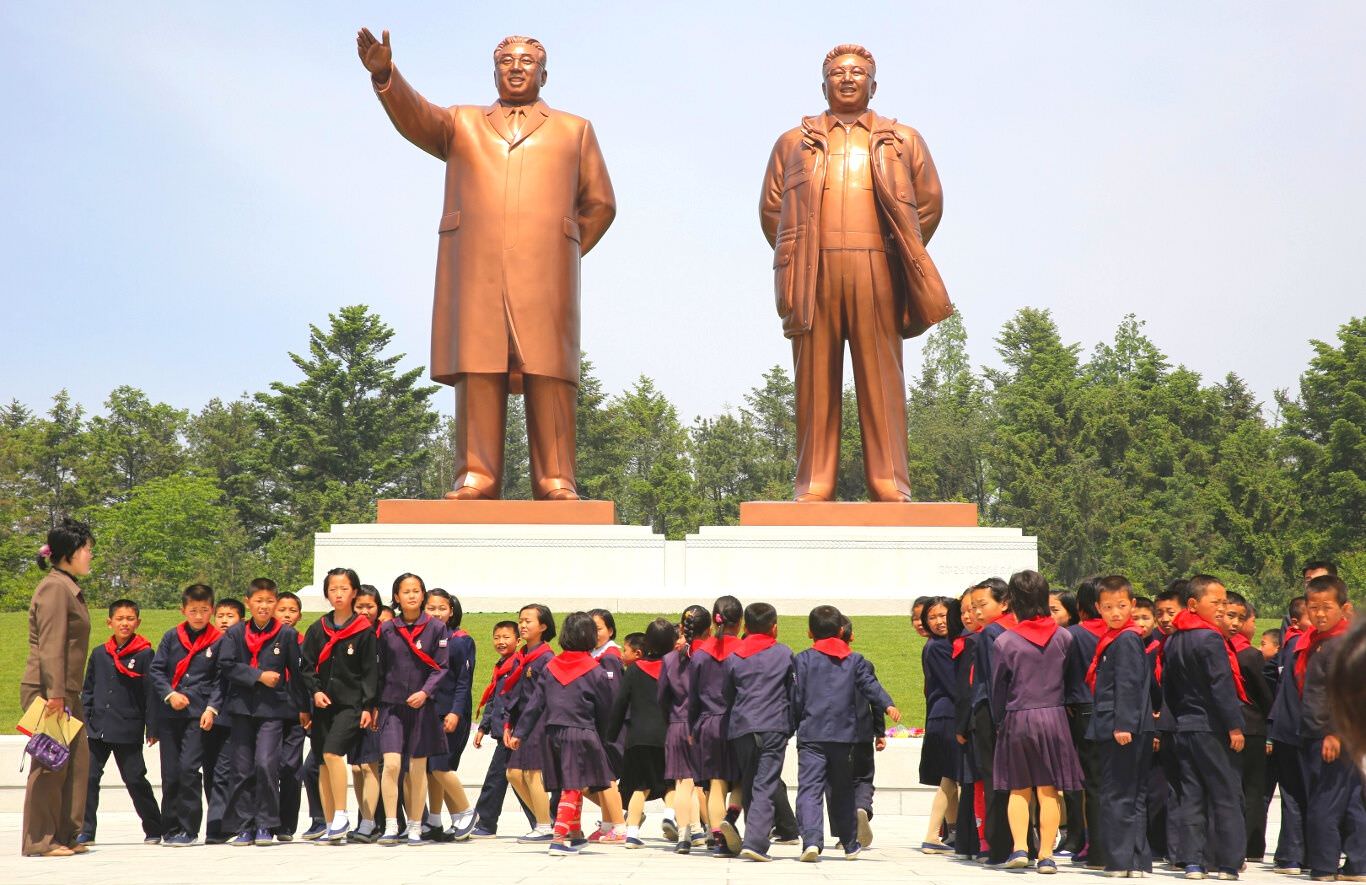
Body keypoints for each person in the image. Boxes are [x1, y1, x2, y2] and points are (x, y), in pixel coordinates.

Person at [356, 28, 616, 500]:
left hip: (547, 274)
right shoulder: (462, 123)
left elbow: (600, 204)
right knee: (478, 368)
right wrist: (386, 76)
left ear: (544, 73)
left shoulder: (574, 129)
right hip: (474, 268)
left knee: (549, 372)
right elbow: (417, 118)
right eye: (506, 61)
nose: (516, 67)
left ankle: (557, 479)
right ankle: (476, 475)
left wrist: (563, 253)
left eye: (527, 61)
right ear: (494, 71)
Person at [759, 43, 950, 502]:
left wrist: (895, 248)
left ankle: (889, 480)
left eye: (858, 73)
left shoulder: (901, 139)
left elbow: (929, 203)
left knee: (882, 376)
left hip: (877, 267)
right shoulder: (794, 142)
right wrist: (802, 253)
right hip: (814, 270)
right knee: (813, 381)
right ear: (823, 84)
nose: (848, 79)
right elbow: (772, 210)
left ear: (874, 84)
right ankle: (814, 482)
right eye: (838, 73)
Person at [990, 569, 1083, 874]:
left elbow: (997, 689)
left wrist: (999, 720)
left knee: (1018, 789)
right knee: (1049, 790)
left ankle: (1019, 847)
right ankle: (1046, 854)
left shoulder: (1005, 641)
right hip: (1054, 717)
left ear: (1013, 599)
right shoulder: (1064, 637)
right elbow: (1072, 679)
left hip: (1018, 717)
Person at [792, 604, 899, 861]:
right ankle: (850, 844)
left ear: (809, 632)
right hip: (844, 736)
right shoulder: (855, 661)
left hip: (812, 735)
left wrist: (792, 724)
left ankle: (811, 841)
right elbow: (870, 685)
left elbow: (796, 698)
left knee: (809, 788)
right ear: (841, 630)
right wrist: (887, 704)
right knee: (843, 789)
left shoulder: (802, 659)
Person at [1160, 574, 1247, 880]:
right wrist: (1234, 727)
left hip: (1185, 727)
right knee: (1226, 794)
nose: (1222, 608)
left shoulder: (1174, 638)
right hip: (1212, 728)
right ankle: (1228, 863)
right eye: (1217, 602)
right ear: (1194, 604)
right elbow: (1221, 687)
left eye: (1225, 602)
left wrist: (1180, 717)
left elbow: (1167, 686)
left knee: (1192, 796)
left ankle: (1193, 861)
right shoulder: (1210, 639)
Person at [508, 612, 616, 856]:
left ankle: (575, 835)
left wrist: (520, 733)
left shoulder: (551, 666)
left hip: (552, 734)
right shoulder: (594, 670)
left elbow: (535, 704)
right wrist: (609, 737)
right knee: (572, 786)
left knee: (572, 783)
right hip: (581, 733)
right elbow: (606, 708)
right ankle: (558, 838)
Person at [20, 518, 94, 858]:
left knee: (76, 764)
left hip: (67, 690)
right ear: (70, 553)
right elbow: (51, 645)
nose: (90, 556)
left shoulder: (68, 586)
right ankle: (40, 840)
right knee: (50, 764)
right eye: (87, 550)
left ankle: (65, 834)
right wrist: (55, 694)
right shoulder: (54, 588)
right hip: (50, 691)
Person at [217, 578, 308, 847]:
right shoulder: (236, 633)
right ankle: (245, 825)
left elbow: (298, 674)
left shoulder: (286, 634)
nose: (264, 606)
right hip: (242, 709)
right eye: (259, 601)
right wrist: (257, 675)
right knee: (242, 768)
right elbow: (226, 665)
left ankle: (267, 824)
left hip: (273, 709)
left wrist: (304, 707)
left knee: (266, 764)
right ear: (248, 603)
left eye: (270, 601)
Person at [300, 568, 377, 843]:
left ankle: (342, 814)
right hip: (323, 705)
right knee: (321, 761)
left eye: (344, 589)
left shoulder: (364, 631)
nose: (339, 594)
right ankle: (331, 821)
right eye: (333, 589)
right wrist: (315, 692)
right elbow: (306, 667)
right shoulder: (317, 628)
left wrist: (368, 706)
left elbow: (370, 672)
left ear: (354, 592)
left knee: (333, 754)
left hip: (351, 705)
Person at [1296, 574, 1365, 881]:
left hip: (1330, 735)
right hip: (1319, 732)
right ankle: (1358, 864)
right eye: (1313, 608)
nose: (1319, 614)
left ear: (1344, 608)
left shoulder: (1339, 645)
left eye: (1327, 607)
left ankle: (1323, 866)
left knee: (1324, 801)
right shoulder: (1317, 642)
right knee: (1349, 801)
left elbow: (1344, 693)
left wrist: (1335, 733)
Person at [1085, 575, 1154, 877]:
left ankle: (1120, 860)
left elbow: (1128, 685)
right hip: (1131, 725)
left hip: (1120, 727)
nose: (1115, 612)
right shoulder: (1123, 637)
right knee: (1133, 794)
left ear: (1132, 605)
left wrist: (1122, 724)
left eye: (1122, 606)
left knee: (1116, 794)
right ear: (1098, 608)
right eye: (1108, 607)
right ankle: (1136, 861)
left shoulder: (1124, 639)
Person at [78, 598, 161, 846]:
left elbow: (151, 693)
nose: (124, 623)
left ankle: (155, 827)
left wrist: (152, 727)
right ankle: (86, 830)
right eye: (119, 619)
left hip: (127, 727)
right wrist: (86, 717)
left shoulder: (145, 653)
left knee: (135, 779)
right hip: (97, 728)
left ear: (138, 622)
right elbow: (89, 689)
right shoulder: (99, 653)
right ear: (109, 622)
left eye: (130, 619)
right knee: (89, 778)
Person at [375, 573, 449, 846]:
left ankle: (417, 825)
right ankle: (393, 824)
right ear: (396, 597)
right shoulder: (387, 629)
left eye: (416, 590)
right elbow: (379, 669)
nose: (411, 596)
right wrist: (373, 705)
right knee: (392, 764)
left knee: (418, 768)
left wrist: (425, 692)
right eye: (405, 591)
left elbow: (441, 666)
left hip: (422, 706)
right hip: (392, 706)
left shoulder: (435, 628)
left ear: (423, 594)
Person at [149, 582, 222, 847]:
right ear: (183, 610)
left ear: (211, 610)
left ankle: (189, 829)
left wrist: (211, 708)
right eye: (193, 610)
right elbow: (156, 671)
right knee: (170, 773)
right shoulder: (171, 637)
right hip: (170, 713)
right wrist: (170, 694)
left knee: (189, 770)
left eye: (204, 610)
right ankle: (169, 826)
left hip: (198, 714)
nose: (199, 616)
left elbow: (220, 679)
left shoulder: (218, 640)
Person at [724, 602, 796, 863]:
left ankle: (752, 836)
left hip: (742, 726)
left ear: (745, 626)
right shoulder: (784, 653)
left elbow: (727, 693)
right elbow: (793, 692)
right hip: (774, 725)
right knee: (765, 783)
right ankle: (755, 841)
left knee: (751, 782)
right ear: (774, 628)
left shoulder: (734, 656)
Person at [607, 618, 674, 848]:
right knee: (671, 783)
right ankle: (670, 815)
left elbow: (620, 704)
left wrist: (611, 734)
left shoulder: (635, 669)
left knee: (639, 786)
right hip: (666, 736)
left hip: (637, 738)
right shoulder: (673, 668)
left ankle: (633, 832)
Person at [470, 621, 535, 838]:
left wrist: (514, 728)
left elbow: (516, 701)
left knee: (498, 779)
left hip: (512, 733)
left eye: (506, 637)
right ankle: (541, 820)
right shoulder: (501, 666)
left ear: (518, 641)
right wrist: (483, 727)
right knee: (512, 779)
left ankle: (487, 823)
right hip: (502, 732)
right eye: (497, 637)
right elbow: (493, 700)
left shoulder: (518, 665)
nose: (501, 642)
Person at [421, 587, 476, 841]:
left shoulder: (461, 641)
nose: (436, 613)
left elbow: (463, 682)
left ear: (451, 611)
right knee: (432, 769)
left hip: (451, 713)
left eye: (442, 608)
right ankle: (436, 820)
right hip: (428, 712)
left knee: (441, 766)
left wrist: (455, 712)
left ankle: (466, 811)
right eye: (431, 608)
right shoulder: (421, 638)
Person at [691, 595, 744, 855]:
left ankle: (718, 838)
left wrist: (692, 727)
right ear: (741, 621)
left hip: (707, 724)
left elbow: (692, 697)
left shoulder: (700, 653)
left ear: (714, 620)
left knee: (715, 783)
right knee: (742, 780)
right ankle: (730, 820)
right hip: (737, 723)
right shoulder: (743, 651)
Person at [1225, 592, 1274, 864]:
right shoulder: (1250, 654)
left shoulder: (1220, 647)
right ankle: (1252, 845)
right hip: (1253, 725)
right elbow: (1264, 694)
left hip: (1226, 727)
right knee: (1254, 789)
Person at [969, 577, 1014, 864]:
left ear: (1005, 602)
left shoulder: (990, 634)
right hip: (1019, 709)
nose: (976, 613)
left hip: (990, 710)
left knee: (994, 778)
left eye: (982, 605)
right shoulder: (1020, 629)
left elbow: (990, 677)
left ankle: (998, 845)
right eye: (973, 607)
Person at [504, 603, 558, 842]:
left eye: (528, 621)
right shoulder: (523, 656)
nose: (523, 625)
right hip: (522, 723)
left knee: (531, 773)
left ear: (543, 626)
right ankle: (545, 820)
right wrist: (508, 724)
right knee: (514, 774)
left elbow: (540, 699)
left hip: (539, 723)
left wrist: (522, 728)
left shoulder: (546, 658)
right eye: (521, 620)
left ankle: (544, 825)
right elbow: (514, 694)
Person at [1062, 576, 1105, 869]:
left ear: (1080, 605)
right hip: (1116, 712)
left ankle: (1090, 841)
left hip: (1083, 710)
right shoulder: (1123, 633)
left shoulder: (1073, 634)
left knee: (1089, 781)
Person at [660, 605, 709, 853]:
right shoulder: (708, 656)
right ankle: (705, 829)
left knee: (682, 783)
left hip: (677, 723)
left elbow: (662, 697)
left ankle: (684, 834)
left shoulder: (669, 659)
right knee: (703, 783)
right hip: (703, 723)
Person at [918, 595, 960, 853]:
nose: (938, 621)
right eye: (931, 617)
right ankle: (933, 834)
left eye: (943, 615)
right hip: (948, 715)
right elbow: (954, 685)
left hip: (941, 715)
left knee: (950, 776)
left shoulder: (941, 644)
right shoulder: (939, 647)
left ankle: (952, 831)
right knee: (950, 777)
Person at [347, 585, 387, 842]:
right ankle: (365, 818)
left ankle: (370, 823)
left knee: (371, 765)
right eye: (359, 606)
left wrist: (375, 707)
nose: (364, 611)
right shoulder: (348, 635)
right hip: (353, 708)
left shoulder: (384, 635)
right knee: (358, 767)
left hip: (375, 709)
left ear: (379, 608)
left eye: (369, 606)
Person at [585, 607, 626, 843]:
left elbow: (612, 698)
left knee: (606, 776)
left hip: (608, 728)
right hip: (600, 726)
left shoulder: (610, 656)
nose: (593, 633)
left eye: (598, 628)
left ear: (610, 630)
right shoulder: (595, 654)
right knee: (599, 777)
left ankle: (619, 826)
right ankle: (608, 823)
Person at [204, 597, 242, 844]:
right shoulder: (207, 643)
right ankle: (218, 820)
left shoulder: (241, 644)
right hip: (206, 717)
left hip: (231, 715)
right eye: (221, 615)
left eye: (231, 615)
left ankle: (218, 826)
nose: (225, 620)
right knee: (209, 771)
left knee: (223, 772)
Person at [272, 591, 308, 841]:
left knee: (291, 767)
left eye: (292, 610)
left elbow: (308, 680)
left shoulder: (304, 642)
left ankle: (286, 825)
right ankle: (267, 819)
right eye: (282, 609)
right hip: (269, 712)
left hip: (296, 713)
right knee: (267, 766)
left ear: (299, 615)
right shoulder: (264, 640)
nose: (286, 614)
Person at [952, 589, 983, 861]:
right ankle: (970, 841)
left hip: (973, 722)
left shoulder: (974, 642)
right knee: (971, 782)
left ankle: (969, 842)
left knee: (973, 781)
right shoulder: (970, 641)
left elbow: (967, 689)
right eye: (963, 610)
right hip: (972, 723)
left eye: (972, 608)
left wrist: (961, 725)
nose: (967, 615)